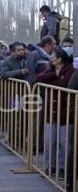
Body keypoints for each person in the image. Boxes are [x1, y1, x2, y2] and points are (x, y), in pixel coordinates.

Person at [35, 46, 75, 179]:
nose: (51, 57)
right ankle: (50, 166)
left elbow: (64, 85)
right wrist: (53, 75)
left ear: (60, 59)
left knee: (65, 144)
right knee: (49, 142)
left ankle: (63, 168)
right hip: (50, 112)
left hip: (66, 113)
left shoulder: (71, 71)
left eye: (53, 55)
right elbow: (38, 79)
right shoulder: (50, 70)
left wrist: (53, 80)